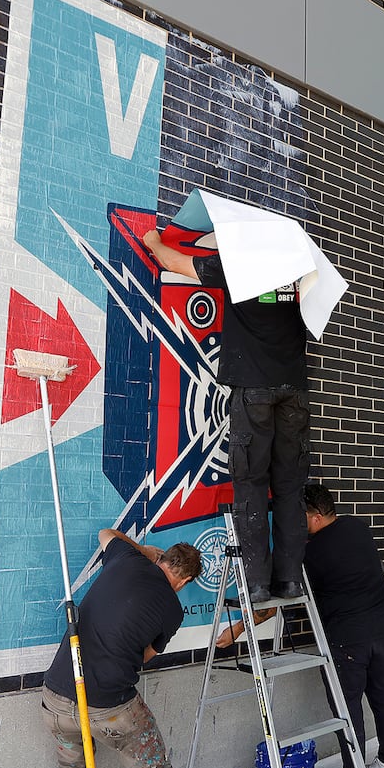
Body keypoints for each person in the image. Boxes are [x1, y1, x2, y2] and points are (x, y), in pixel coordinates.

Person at [40, 530, 210, 768]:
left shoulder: (125, 558)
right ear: (183, 581)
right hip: (111, 708)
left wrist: (141, 552)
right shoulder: (172, 609)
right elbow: (145, 656)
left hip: (57, 695)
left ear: (160, 558)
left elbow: (105, 535)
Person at [143, 225, 310, 606]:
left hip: (254, 388)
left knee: (250, 483)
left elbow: (174, 262)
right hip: (294, 390)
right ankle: (289, 582)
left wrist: (153, 240)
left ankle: (256, 585)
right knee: (289, 487)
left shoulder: (240, 267)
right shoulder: (296, 271)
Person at [301, 483, 384, 768]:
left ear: (316, 516)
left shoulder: (312, 550)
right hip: (383, 630)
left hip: (348, 639)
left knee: (348, 706)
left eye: (301, 516)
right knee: (383, 694)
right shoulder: (359, 527)